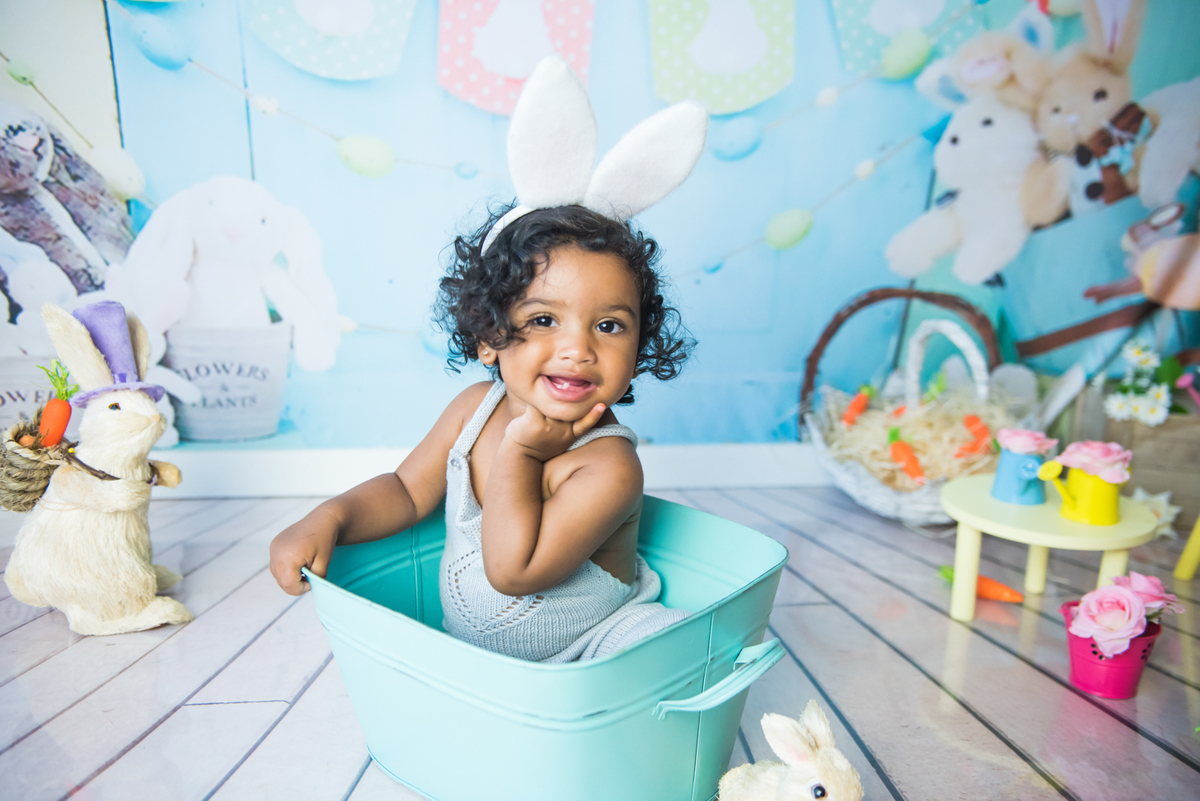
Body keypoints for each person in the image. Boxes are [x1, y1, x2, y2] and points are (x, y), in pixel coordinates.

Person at [269, 56, 707, 662]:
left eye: (608, 325)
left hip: (592, 647)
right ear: (488, 335)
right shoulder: (475, 410)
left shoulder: (608, 466)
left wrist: (524, 451)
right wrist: (332, 517)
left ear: (640, 344)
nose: (577, 348)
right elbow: (404, 490)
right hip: (474, 651)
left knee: (663, 645)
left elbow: (515, 570)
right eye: (543, 320)